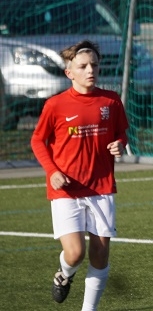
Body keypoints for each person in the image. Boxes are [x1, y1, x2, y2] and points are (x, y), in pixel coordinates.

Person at [30, 41, 129, 310]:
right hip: (66, 189)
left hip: (101, 187)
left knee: (100, 253)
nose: (90, 70)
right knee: (75, 253)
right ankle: (64, 273)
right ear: (69, 73)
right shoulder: (55, 105)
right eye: (83, 66)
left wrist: (120, 144)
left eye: (94, 65)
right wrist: (52, 171)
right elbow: (37, 140)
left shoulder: (111, 100)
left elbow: (121, 133)